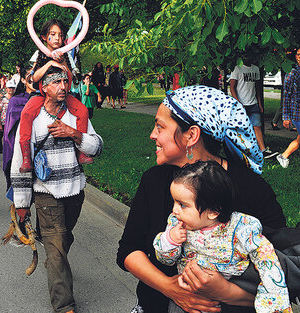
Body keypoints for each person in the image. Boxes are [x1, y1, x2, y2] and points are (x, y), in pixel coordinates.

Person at [117, 85, 291, 313]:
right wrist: (170, 288)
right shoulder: (154, 180)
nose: (152, 134)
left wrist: (227, 293)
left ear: (191, 135)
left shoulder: (251, 188)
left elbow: (281, 270)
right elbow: (128, 250)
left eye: (160, 126)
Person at [11, 66, 103, 313]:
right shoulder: (33, 118)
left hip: (75, 191)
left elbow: (97, 147)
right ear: (44, 87)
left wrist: (74, 134)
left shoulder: (76, 114)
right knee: (56, 243)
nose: (63, 86)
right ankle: (65, 306)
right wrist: (22, 204)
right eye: (56, 82)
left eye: (65, 81)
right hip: (45, 193)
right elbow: (20, 161)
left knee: (63, 240)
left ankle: (54, 263)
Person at [153, 160, 292, 313]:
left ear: (213, 211)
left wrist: (273, 298)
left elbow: (266, 257)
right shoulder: (177, 223)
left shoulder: (240, 228)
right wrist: (169, 240)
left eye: (182, 205)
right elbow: (166, 260)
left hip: (229, 303)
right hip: (187, 299)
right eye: (174, 202)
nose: (174, 210)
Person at [20, 19, 92, 173]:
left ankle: (81, 152)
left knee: (83, 111)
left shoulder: (66, 54)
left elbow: (70, 80)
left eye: (60, 35)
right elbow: (33, 78)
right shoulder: (39, 53)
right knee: (26, 113)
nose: (57, 38)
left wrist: (63, 63)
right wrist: (49, 64)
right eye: (53, 34)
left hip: (63, 95)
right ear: (45, 37)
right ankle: (26, 156)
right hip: (41, 94)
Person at [230, 55, 277, 159]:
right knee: (242, 127)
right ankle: (242, 151)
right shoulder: (237, 68)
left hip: (253, 103)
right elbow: (232, 86)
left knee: (257, 126)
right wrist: (238, 103)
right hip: (241, 104)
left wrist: (260, 103)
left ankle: (263, 150)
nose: (248, 57)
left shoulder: (255, 69)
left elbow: (257, 87)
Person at [3, 67, 34, 189]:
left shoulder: (45, 100)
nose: (34, 79)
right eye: (30, 75)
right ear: (23, 79)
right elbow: (9, 132)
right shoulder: (16, 100)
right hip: (19, 147)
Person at [276, 47, 300, 168]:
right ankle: (283, 156)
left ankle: (283, 156)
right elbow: (286, 95)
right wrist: (285, 117)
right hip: (297, 113)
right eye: (298, 54)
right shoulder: (292, 72)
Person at [0, 80, 16, 150]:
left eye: (12, 88)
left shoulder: (16, 98)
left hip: (13, 122)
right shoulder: (2, 99)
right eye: (9, 88)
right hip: (4, 122)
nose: (11, 89)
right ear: (6, 89)